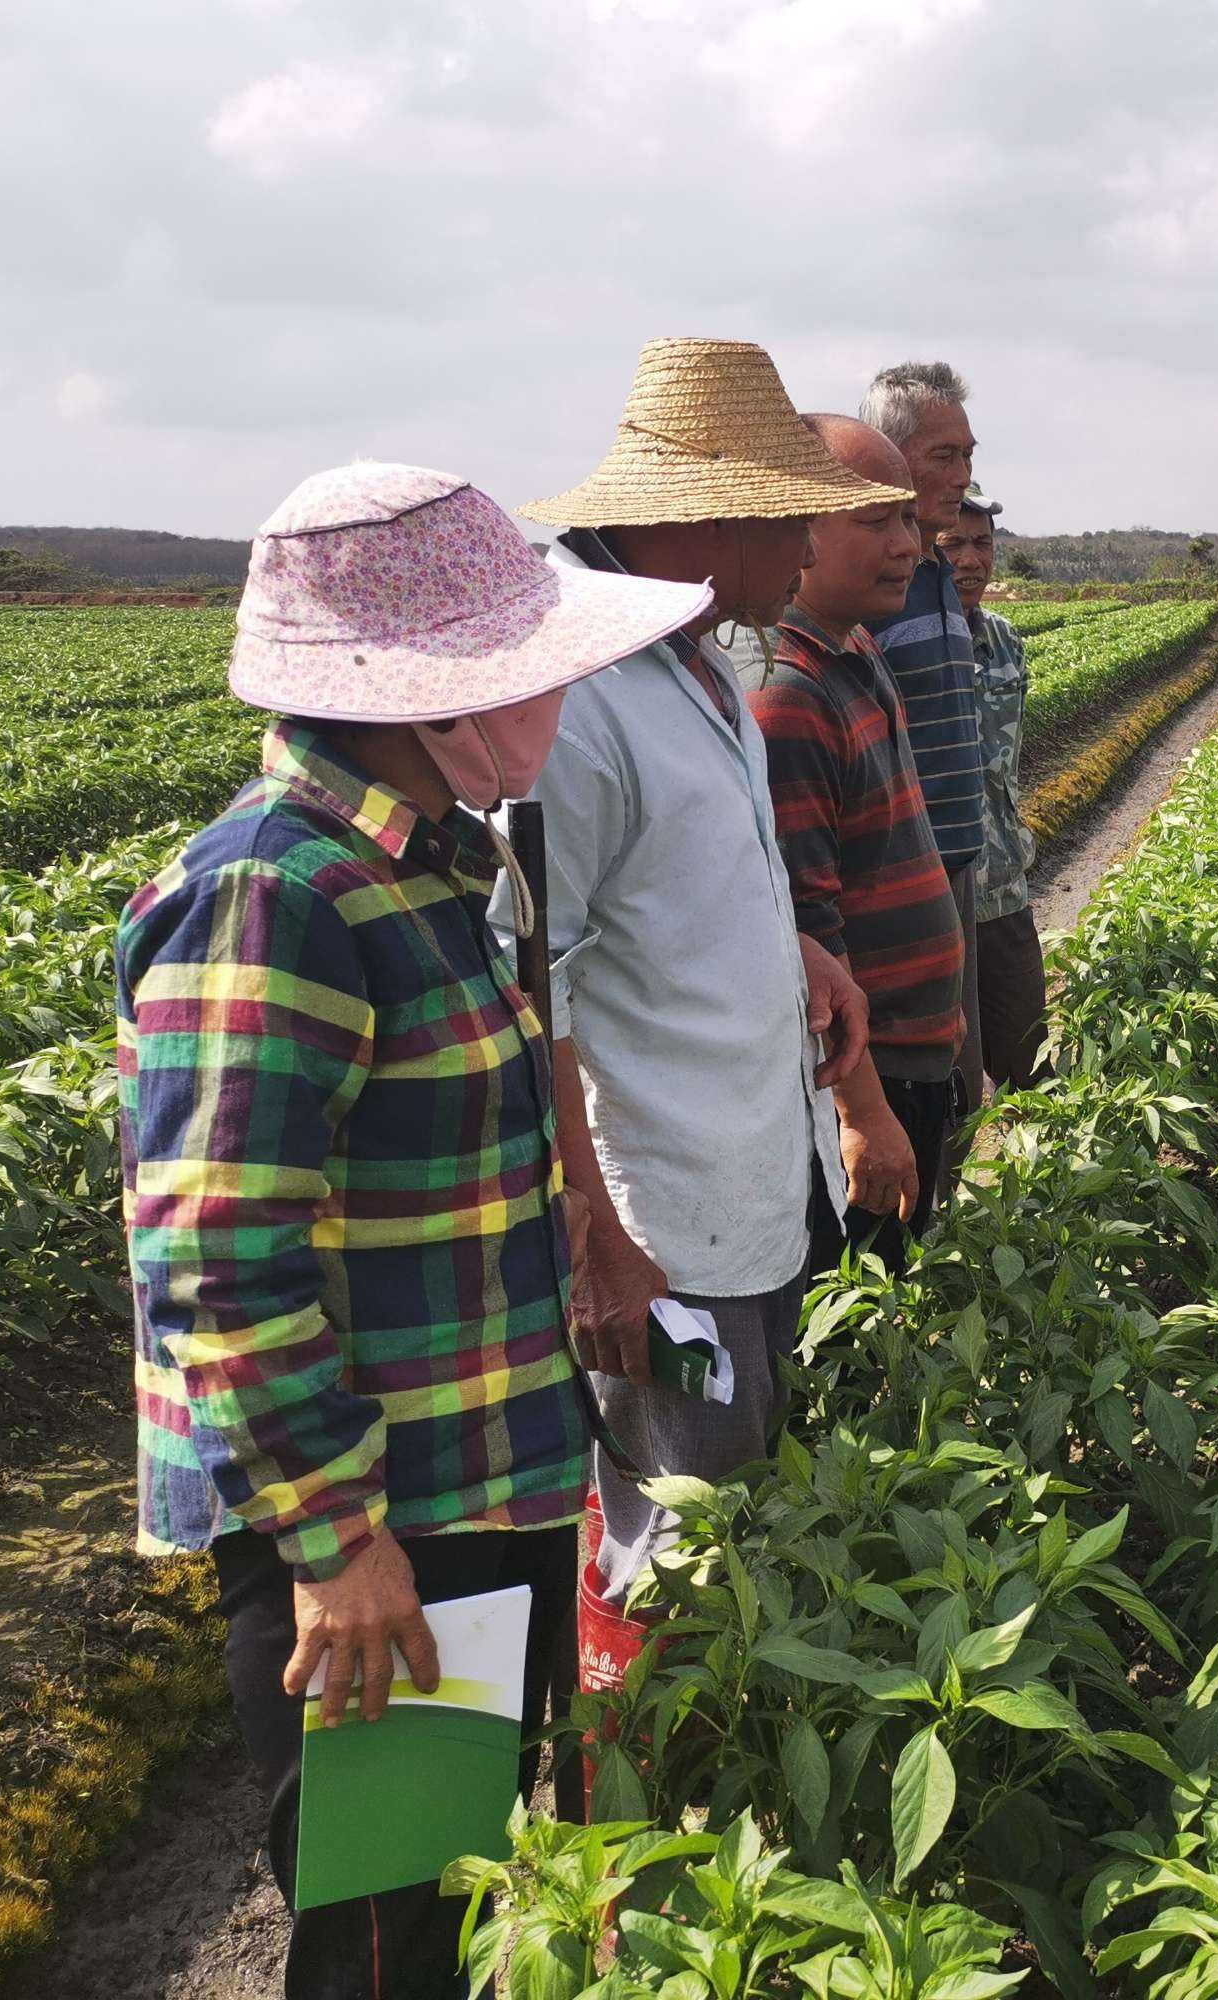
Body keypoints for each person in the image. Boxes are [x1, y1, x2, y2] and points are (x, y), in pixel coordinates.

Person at [117, 462, 711, 1996]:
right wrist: (335, 1540)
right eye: (533, 672)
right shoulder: (277, 891)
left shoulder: (430, 863)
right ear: (434, 700)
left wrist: (577, 1235)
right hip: (388, 1532)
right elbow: (213, 1258)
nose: (558, 703)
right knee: (389, 1935)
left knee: (451, 1883)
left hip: (466, 1486)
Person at [517, 337, 901, 1595]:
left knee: (747, 1529)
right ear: (714, 515)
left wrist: (794, 947)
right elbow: (538, 981)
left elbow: (672, 885)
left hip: (752, 1182)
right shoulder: (574, 706)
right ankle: (654, 1781)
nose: (811, 546)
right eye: (794, 516)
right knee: (678, 1563)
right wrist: (596, 1234)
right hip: (664, 1230)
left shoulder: (700, 660)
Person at [755, 415, 973, 1272]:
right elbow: (806, 935)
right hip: (867, 1069)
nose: (909, 546)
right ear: (796, 525)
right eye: (875, 520)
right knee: (856, 1321)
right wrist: (863, 1113)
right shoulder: (785, 696)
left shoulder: (853, 653)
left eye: (908, 520)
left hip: (911, 1056)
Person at [861, 360, 989, 1113]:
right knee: (915, 1088)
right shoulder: (865, 581)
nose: (964, 475)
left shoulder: (937, 566)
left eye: (969, 454)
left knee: (956, 1083)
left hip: (954, 867)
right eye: (944, 456)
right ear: (886, 456)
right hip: (897, 886)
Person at [939, 485, 1050, 1090]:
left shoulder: (1005, 641)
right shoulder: (895, 645)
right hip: (935, 904)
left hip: (1004, 891)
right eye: (951, 542)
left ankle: (1041, 1183)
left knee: (1029, 1063)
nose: (970, 559)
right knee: (949, 1091)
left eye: (982, 543)